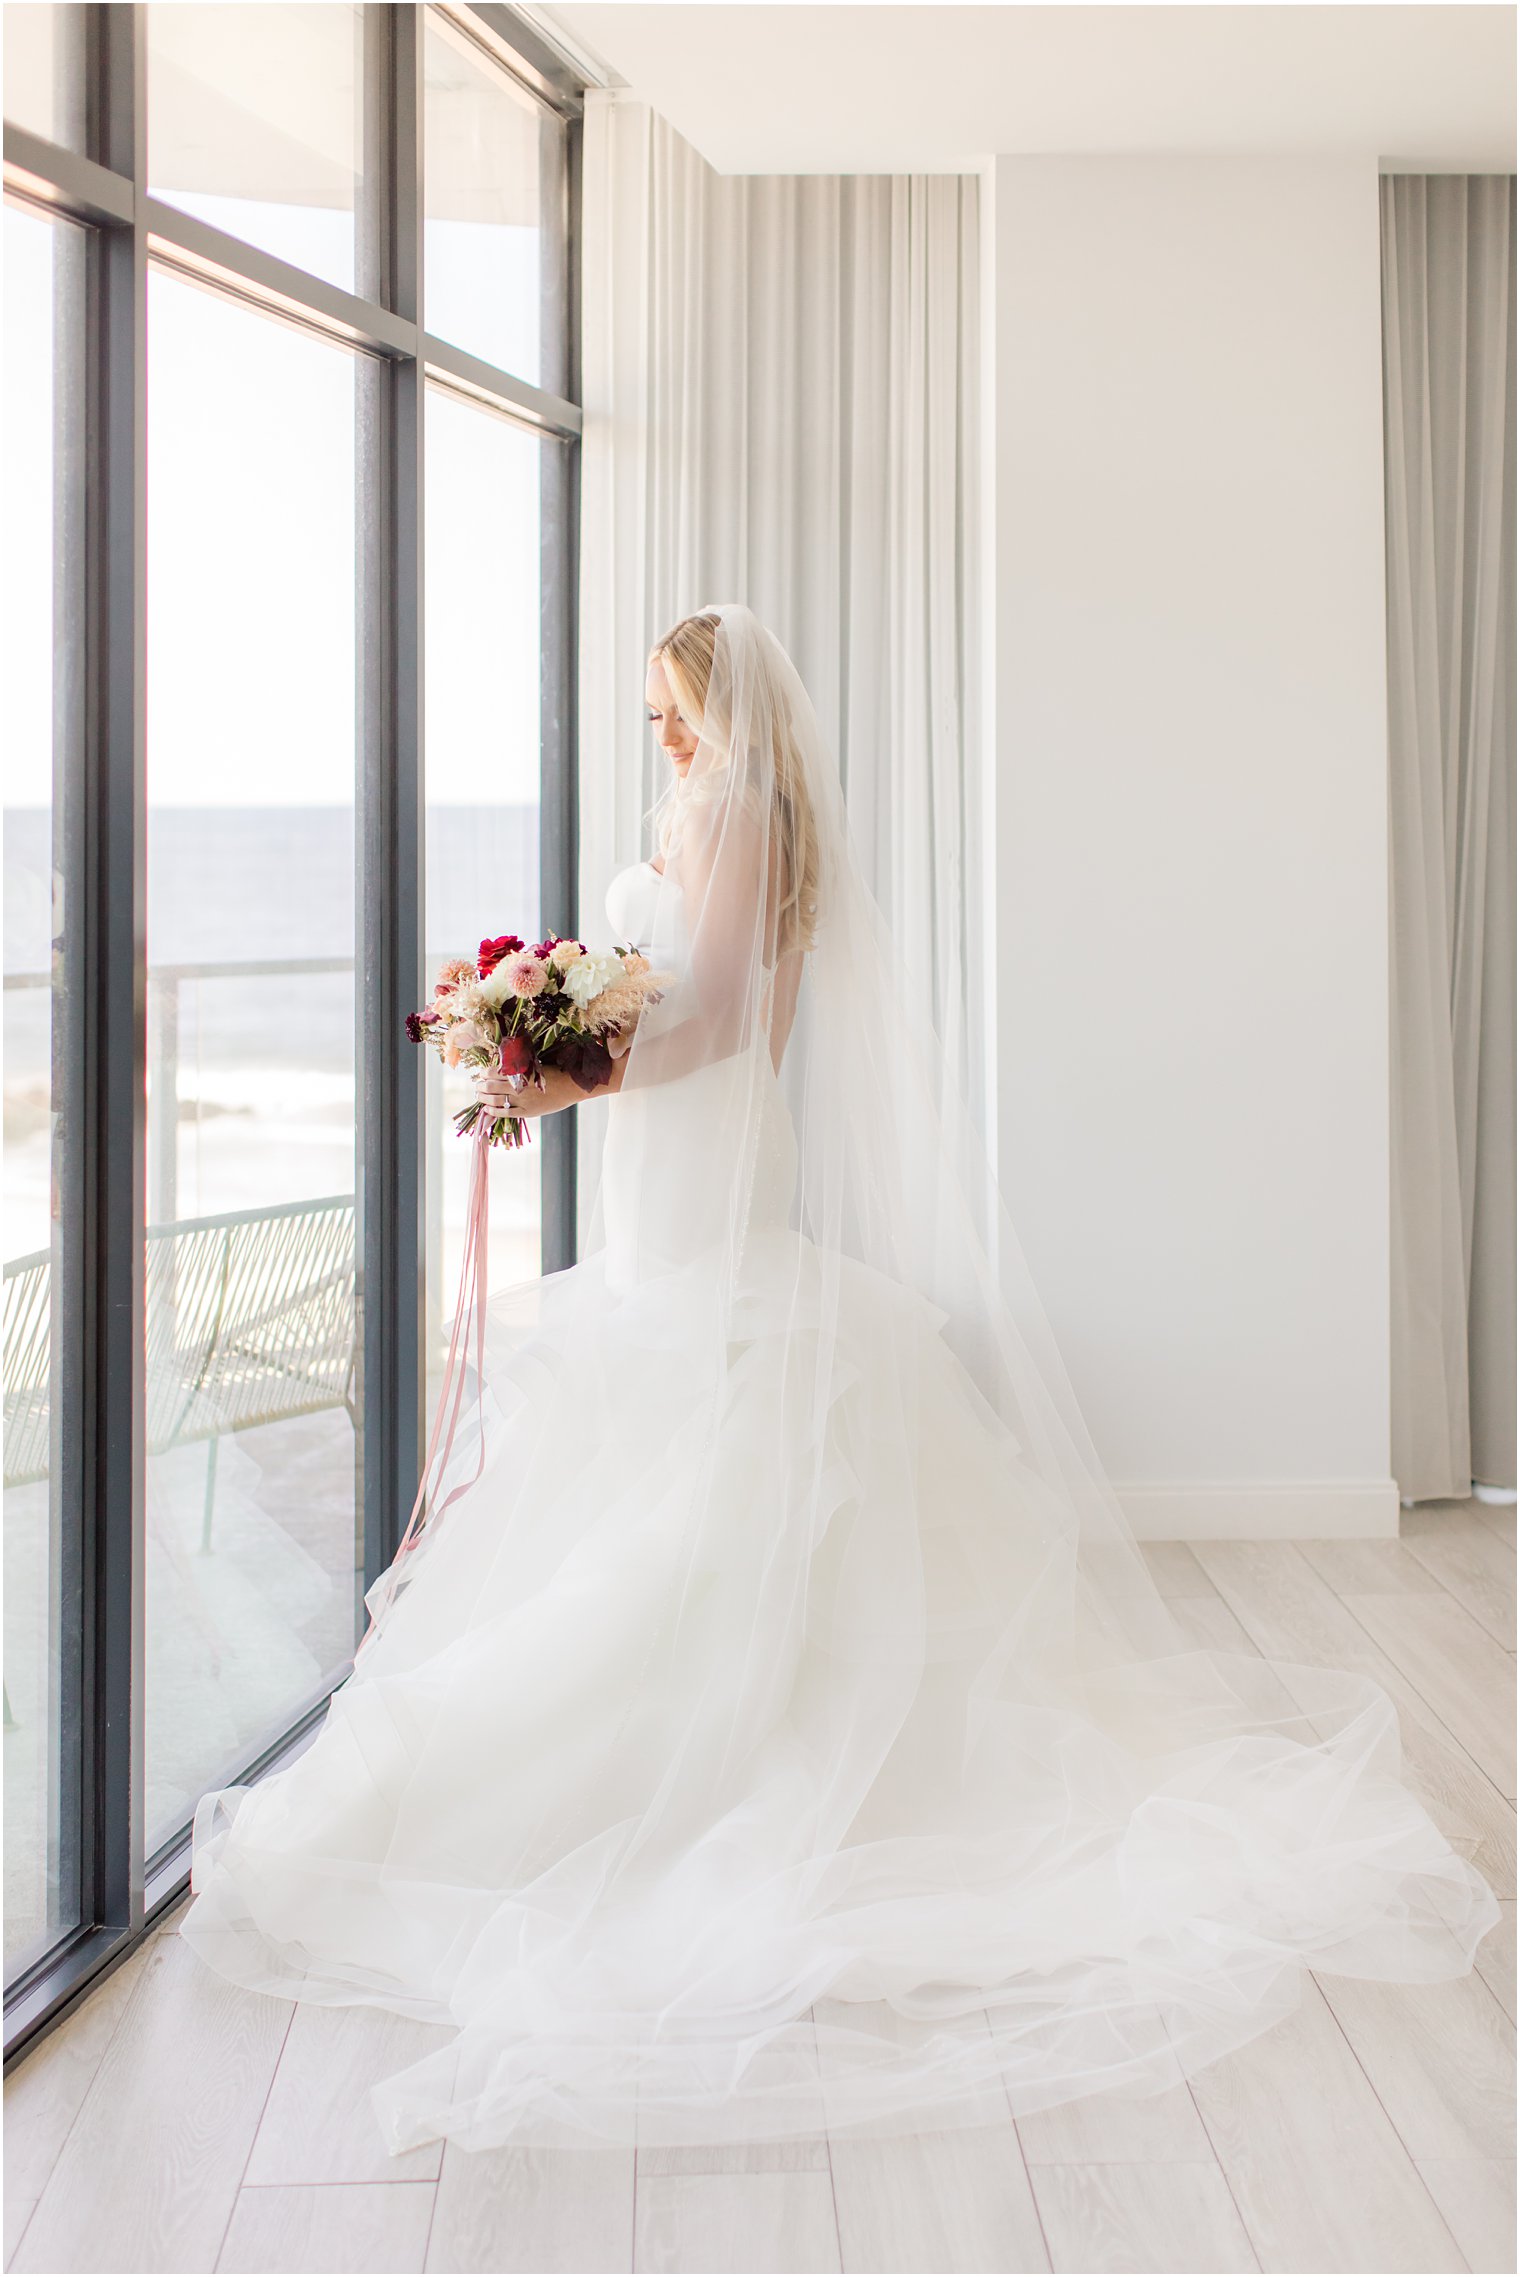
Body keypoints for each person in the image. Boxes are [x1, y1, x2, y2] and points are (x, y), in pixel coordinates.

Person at [180, 602, 1497, 2157]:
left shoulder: (746, 810)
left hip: (709, 1155)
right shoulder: (706, 806)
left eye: (675, 705)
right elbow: (669, 994)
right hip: (669, 1172)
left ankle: (700, 1751)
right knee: (663, 1424)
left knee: (714, 1426)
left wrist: (569, 1071)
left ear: (723, 700)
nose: (660, 733)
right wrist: (569, 1039)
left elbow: (730, 1015)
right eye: (654, 713)